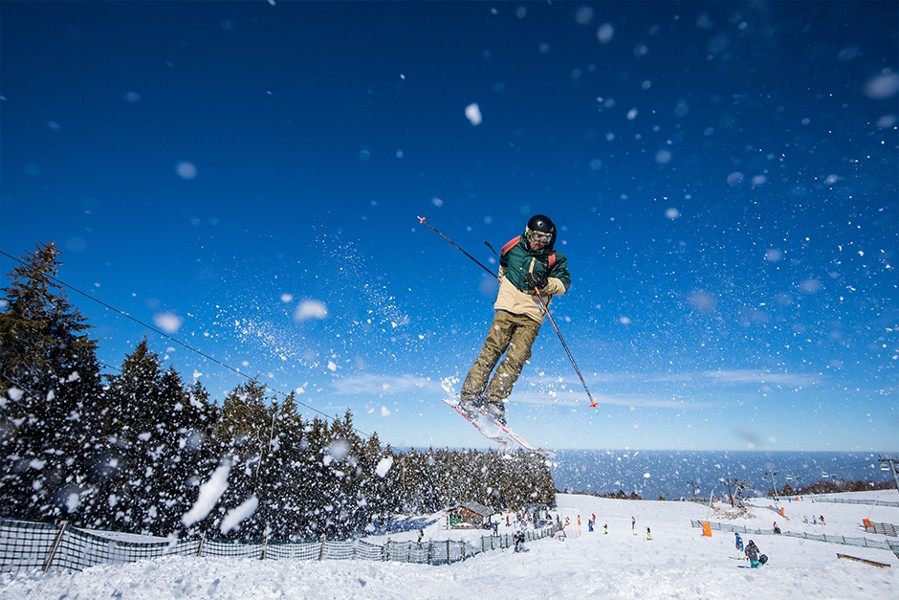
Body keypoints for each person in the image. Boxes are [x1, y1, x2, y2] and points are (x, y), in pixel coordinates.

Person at [460, 214, 571, 424]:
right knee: (492, 350)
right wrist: (503, 279)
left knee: (517, 358)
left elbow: (564, 284)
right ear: (528, 232)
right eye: (537, 236)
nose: (540, 242)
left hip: (532, 313)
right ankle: (470, 396)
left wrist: (545, 282)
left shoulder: (555, 258)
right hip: (507, 307)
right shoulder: (512, 246)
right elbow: (503, 263)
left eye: (546, 238)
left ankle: (494, 399)